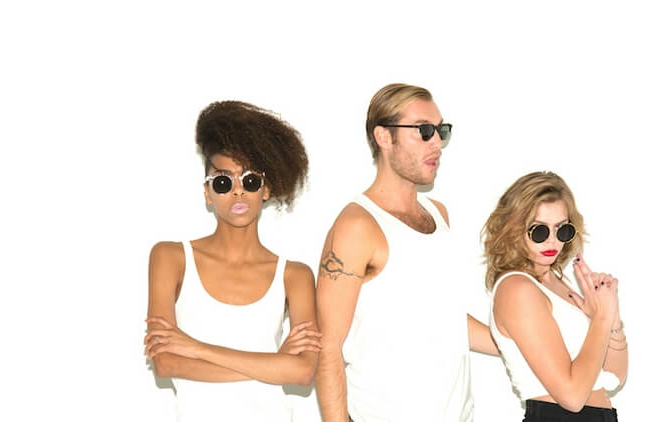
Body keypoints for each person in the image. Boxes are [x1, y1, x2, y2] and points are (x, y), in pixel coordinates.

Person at [315, 83, 498, 422]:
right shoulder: (357, 226)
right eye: (424, 131)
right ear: (384, 137)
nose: (437, 143)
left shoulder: (438, 214)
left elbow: (442, 319)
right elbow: (327, 347)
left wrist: (523, 341)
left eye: (441, 130)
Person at [144, 101, 322, 422]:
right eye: (223, 182)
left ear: (265, 189)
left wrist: (196, 348)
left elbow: (302, 371)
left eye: (250, 181)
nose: (238, 193)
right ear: (208, 193)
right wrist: (273, 364)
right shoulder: (170, 258)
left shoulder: (294, 276)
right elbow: (166, 363)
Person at [483, 171, 627, 421]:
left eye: (562, 230)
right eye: (539, 231)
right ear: (513, 229)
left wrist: (611, 315)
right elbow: (572, 397)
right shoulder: (517, 289)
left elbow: (613, 377)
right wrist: (601, 318)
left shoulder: (557, 283)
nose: (552, 241)